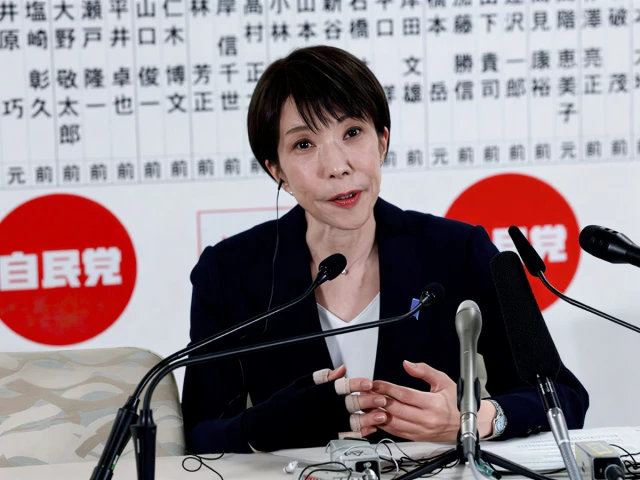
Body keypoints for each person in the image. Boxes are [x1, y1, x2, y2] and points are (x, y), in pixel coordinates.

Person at [181, 45, 588, 455]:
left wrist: (473, 419)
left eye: (352, 133)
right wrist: (272, 424)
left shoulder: (457, 250)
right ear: (277, 170)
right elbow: (201, 434)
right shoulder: (228, 272)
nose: (337, 166)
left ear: (382, 141)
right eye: (304, 144)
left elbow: (564, 396)